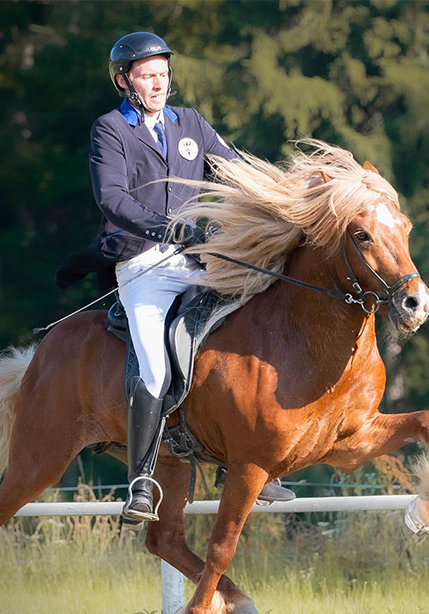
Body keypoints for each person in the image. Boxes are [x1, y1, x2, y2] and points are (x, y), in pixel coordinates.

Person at [57, 32, 293, 523]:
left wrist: (289, 198)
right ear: (125, 81)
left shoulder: (191, 123)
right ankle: (141, 480)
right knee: (155, 367)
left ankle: (242, 462)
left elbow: (235, 173)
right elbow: (112, 199)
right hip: (142, 264)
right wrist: (166, 226)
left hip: (196, 262)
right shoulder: (110, 130)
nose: (158, 83)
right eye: (147, 75)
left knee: (243, 335)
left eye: (163, 74)